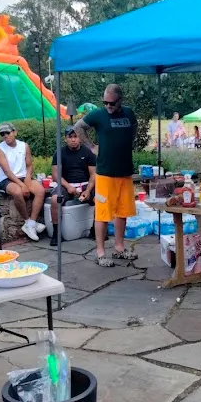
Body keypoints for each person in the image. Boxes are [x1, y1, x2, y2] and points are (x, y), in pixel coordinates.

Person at [73, 83, 138, 267]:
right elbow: (78, 127)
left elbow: (134, 127)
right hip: (105, 173)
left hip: (125, 171)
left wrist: (128, 142)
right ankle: (100, 253)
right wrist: (92, 147)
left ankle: (119, 247)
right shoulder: (98, 115)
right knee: (102, 214)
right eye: (105, 102)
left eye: (112, 103)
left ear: (120, 100)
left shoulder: (128, 113)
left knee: (123, 212)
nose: (108, 106)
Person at [0, 122, 46, 242]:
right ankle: (27, 221)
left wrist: (27, 177)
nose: (5, 136)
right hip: (6, 178)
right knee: (17, 192)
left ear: (15, 132)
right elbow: (7, 171)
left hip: (23, 176)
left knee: (40, 190)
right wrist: (22, 185)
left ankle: (31, 223)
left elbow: (29, 165)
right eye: (2, 134)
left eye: (8, 133)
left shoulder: (24, 146)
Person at [49, 127, 97, 247]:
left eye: (75, 137)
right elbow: (55, 175)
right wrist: (68, 186)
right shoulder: (60, 153)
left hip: (85, 184)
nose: (73, 140)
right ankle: (56, 233)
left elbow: (93, 175)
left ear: (79, 138)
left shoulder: (88, 152)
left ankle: (95, 230)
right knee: (55, 199)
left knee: (101, 198)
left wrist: (88, 190)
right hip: (66, 184)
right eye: (70, 137)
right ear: (65, 139)